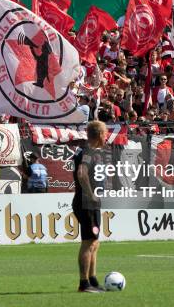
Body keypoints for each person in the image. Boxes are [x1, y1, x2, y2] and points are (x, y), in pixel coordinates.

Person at [72, 121, 106, 293]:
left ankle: (92, 279)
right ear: (100, 134)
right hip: (86, 203)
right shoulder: (88, 152)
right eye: (105, 133)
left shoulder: (92, 152)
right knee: (88, 242)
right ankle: (84, 283)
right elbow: (81, 174)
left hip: (91, 203)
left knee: (95, 242)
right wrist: (91, 194)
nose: (106, 136)